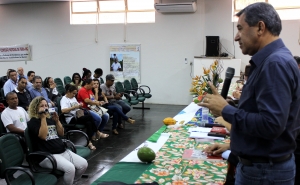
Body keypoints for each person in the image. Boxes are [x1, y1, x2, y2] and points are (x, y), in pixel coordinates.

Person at [199, 2, 300, 184]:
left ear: (260, 28)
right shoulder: (273, 60)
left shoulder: (274, 64)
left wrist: (226, 110)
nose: (236, 37)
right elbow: (261, 113)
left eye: (240, 28)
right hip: (263, 168)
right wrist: (227, 106)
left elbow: (271, 125)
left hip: (264, 172)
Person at [27, 96, 88, 185]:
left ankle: (72, 182)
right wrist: (43, 118)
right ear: (35, 108)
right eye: (42, 106)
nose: (45, 108)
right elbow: (43, 136)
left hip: (61, 151)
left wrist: (57, 121)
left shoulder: (50, 119)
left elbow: (61, 133)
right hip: (47, 156)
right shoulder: (33, 122)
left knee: (83, 164)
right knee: (70, 169)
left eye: (46, 105)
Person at [61, 84, 98, 149]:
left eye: (75, 93)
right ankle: (97, 131)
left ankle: (89, 142)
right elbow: (63, 111)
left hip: (78, 115)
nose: (74, 95)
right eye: (73, 93)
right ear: (68, 92)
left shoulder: (73, 98)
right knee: (89, 117)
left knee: (89, 123)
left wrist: (80, 105)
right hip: (71, 118)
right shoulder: (64, 99)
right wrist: (74, 107)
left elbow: (77, 105)